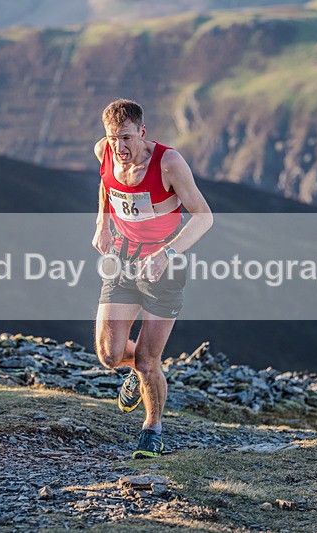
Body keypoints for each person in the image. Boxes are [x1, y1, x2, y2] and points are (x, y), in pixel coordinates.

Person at [92, 99, 213, 459]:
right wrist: (101, 222)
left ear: (142, 133)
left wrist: (167, 254)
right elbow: (106, 184)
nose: (120, 147)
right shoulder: (105, 152)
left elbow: (205, 217)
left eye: (127, 138)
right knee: (109, 355)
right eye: (114, 138)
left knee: (148, 360)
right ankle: (140, 373)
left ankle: (152, 429)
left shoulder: (169, 163)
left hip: (164, 267)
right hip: (122, 261)